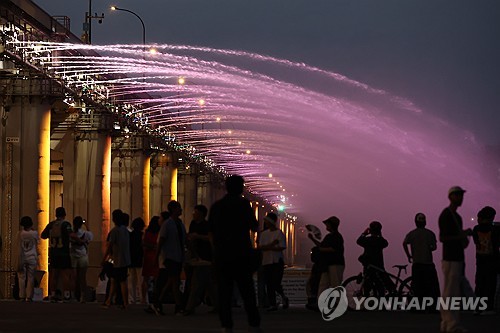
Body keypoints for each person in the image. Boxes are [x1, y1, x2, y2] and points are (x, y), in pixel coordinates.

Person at [208, 175, 261, 332]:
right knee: (247, 291)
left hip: (223, 255)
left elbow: (211, 231)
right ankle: (254, 324)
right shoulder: (244, 205)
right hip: (242, 254)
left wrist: (216, 250)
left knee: (224, 292)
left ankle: (227, 325)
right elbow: (254, 226)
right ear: (240, 188)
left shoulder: (217, 206)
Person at [439, 186, 472, 333]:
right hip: (451, 258)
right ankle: (451, 324)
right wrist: (462, 236)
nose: (461, 198)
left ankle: (449, 323)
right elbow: (443, 238)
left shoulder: (455, 216)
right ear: (451, 197)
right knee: (450, 292)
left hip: (456, 258)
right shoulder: (446, 215)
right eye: (458, 196)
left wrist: (462, 235)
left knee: (452, 292)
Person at [184, 204, 217, 315]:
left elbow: (211, 238)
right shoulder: (193, 224)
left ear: (202, 214)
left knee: (196, 283)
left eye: (195, 212)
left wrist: (198, 236)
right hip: (195, 256)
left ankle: (189, 307)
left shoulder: (207, 225)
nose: (193, 214)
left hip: (205, 256)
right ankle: (218, 306)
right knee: (209, 284)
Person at [402, 213, 440, 311]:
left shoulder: (412, 234)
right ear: (425, 222)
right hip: (428, 263)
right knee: (431, 286)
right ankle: (431, 307)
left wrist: (409, 255)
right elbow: (434, 247)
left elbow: (404, 243)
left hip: (417, 263)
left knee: (417, 286)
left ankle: (418, 307)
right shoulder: (430, 234)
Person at [155, 201, 186, 315]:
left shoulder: (180, 224)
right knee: (175, 281)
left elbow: (184, 240)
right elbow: (161, 241)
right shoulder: (167, 224)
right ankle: (178, 306)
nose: (181, 210)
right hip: (170, 257)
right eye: (179, 208)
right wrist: (157, 256)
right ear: (173, 210)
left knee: (171, 281)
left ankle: (158, 302)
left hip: (178, 256)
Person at [41, 207, 75, 302]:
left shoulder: (51, 225)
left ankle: (52, 294)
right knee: (66, 274)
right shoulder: (65, 224)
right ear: (64, 214)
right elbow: (71, 235)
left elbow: (43, 235)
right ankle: (67, 295)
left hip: (53, 252)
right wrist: (80, 240)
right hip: (64, 252)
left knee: (54, 275)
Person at [258, 212, 289, 311]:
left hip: (277, 261)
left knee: (275, 282)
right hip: (266, 261)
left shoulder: (279, 233)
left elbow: (282, 247)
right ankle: (273, 303)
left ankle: (283, 297)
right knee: (269, 283)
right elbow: (261, 247)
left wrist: (268, 247)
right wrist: (273, 245)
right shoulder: (263, 234)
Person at [472, 206, 499, 315]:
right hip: (492, 260)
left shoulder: (476, 229)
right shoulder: (495, 229)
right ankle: (488, 308)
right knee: (490, 284)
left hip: (480, 260)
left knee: (480, 284)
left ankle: (478, 307)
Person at [309, 216, 345, 296]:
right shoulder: (329, 236)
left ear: (332, 225)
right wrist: (312, 239)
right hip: (327, 264)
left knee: (335, 285)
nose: (326, 226)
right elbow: (321, 246)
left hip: (335, 263)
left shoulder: (337, 236)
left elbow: (332, 249)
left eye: (328, 224)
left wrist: (320, 250)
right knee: (323, 284)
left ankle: (337, 303)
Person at [102, 209, 131, 309]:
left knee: (119, 281)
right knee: (117, 280)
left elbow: (110, 246)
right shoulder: (125, 231)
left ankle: (122, 302)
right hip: (125, 259)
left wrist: (104, 258)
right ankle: (110, 301)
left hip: (117, 260)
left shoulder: (114, 231)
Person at [357, 221, 393, 295]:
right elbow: (386, 243)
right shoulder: (380, 241)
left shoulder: (367, 240)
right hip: (379, 265)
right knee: (380, 285)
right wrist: (380, 235)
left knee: (367, 285)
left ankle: (367, 302)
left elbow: (359, 241)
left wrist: (364, 233)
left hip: (368, 265)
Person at [70, 216, 93, 303]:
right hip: (83, 255)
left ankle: (73, 296)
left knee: (74, 277)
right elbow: (91, 236)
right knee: (82, 278)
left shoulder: (72, 233)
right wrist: (86, 225)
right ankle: (83, 296)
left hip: (73, 255)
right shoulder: (85, 233)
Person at [17, 216, 39, 302]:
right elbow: (37, 242)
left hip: (22, 256)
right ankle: (29, 296)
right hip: (32, 256)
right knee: (31, 277)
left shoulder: (19, 234)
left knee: (21, 277)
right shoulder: (34, 233)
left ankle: (21, 295)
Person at [142, 216, 161, 305]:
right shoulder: (159, 233)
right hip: (156, 256)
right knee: (156, 278)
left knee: (146, 278)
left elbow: (144, 243)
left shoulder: (147, 232)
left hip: (148, 256)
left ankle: (143, 299)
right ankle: (155, 296)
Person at [128, 217, 145, 304]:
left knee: (131, 281)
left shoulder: (130, 235)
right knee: (141, 280)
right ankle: (142, 298)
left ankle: (132, 298)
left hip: (131, 259)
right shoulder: (142, 235)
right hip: (140, 259)